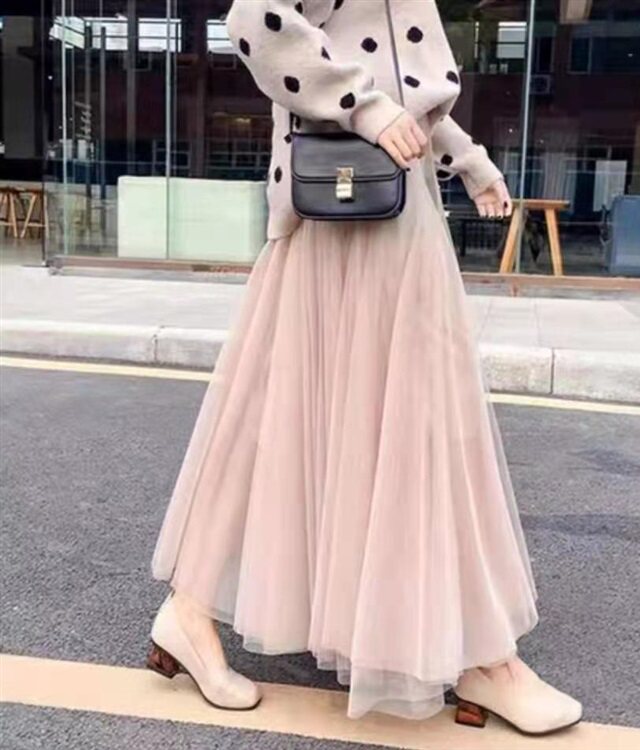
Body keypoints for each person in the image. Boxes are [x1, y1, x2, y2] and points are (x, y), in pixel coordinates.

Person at [147, 0, 582, 736]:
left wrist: (467, 159)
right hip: (343, 212)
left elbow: (402, 89)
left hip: (390, 208)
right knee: (368, 420)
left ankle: (192, 612)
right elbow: (255, 20)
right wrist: (365, 107)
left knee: (330, 417)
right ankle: (484, 660)